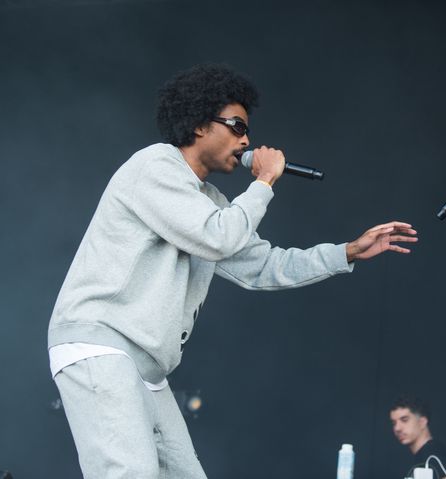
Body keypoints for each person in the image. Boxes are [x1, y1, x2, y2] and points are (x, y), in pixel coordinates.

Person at [47, 63, 418, 479]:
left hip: (146, 368)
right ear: (200, 124)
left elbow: (261, 266)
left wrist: (347, 252)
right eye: (237, 126)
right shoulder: (154, 166)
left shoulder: (210, 200)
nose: (246, 140)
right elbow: (219, 237)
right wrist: (263, 183)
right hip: (101, 346)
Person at [390, 395, 446, 479]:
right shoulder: (426, 454)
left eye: (404, 420)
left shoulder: (432, 454)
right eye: (394, 423)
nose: (397, 428)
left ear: (422, 422)